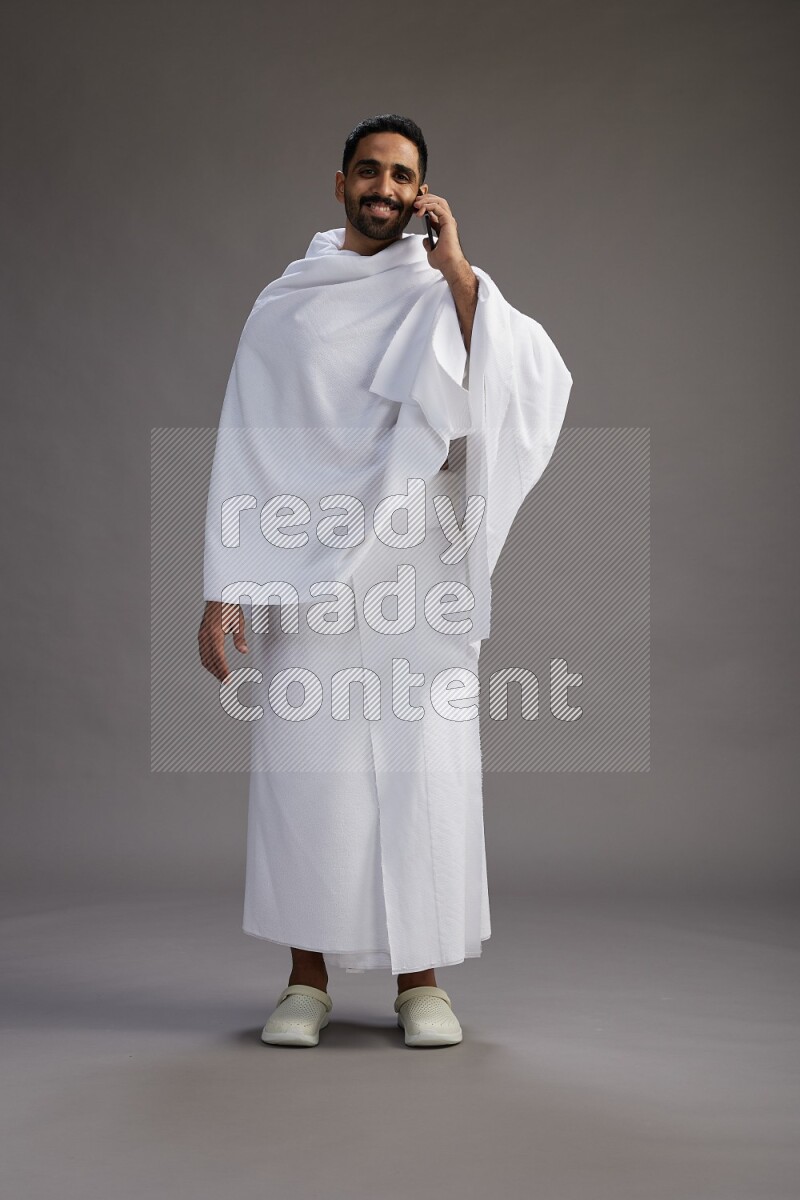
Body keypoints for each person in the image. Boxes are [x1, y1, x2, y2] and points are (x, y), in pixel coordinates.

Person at [198, 114, 573, 1047]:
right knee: (307, 770)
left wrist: (456, 273)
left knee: (426, 769)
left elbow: (529, 381)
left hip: (418, 564)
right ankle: (306, 983)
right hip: (308, 565)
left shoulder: (446, 289)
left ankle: (422, 984)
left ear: (422, 193)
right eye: (369, 171)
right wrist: (223, 587)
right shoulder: (285, 306)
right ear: (340, 184)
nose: (385, 188)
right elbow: (246, 443)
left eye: (402, 176)